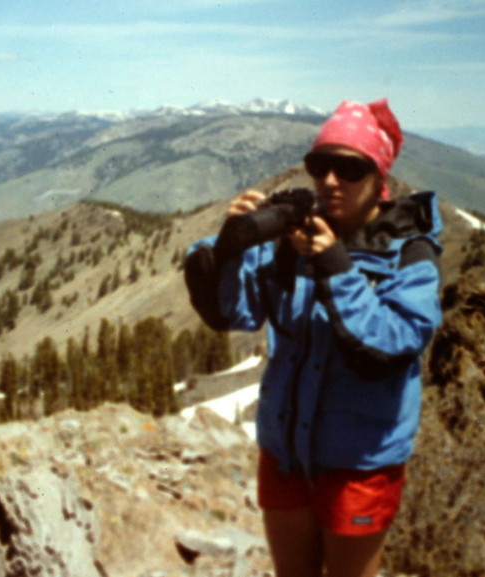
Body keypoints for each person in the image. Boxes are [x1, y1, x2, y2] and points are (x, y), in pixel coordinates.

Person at [184, 99, 443, 577]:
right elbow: (235, 313)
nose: (329, 181)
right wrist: (227, 248)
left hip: (360, 462)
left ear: (378, 176)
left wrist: (336, 269)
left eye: (349, 168)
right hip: (285, 451)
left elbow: (394, 343)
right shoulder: (292, 239)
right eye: (319, 165)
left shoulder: (409, 253)